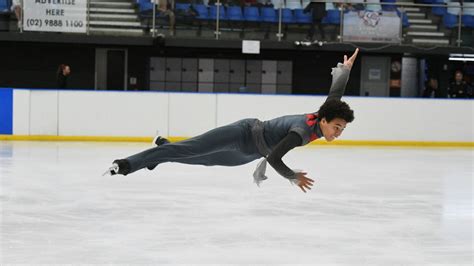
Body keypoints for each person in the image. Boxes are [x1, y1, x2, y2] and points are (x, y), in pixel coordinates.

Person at [104, 49, 359, 193]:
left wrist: (344, 71)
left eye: (342, 129)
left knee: (200, 159)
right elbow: (274, 159)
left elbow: (335, 96)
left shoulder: (325, 114)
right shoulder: (302, 131)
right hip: (243, 133)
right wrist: (293, 176)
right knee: (190, 149)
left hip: (248, 154)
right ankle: (128, 164)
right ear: (324, 120)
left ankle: (162, 150)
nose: (338, 132)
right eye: (336, 127)